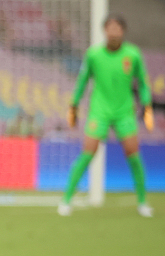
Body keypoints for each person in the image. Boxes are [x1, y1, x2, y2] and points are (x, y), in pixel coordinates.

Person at [60, 15, 154, 217]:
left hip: (124, 112)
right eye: (109, 28)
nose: (113, 32)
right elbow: (82, 81)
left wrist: (146, 105)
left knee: (134, 156)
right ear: (104, 31)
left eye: (117, 28)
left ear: (123, 31)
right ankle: (66, 200)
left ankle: (142, 203)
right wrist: (73, 105)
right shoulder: (94, 55)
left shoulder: (133, 54)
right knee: (87, 154)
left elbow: (143, 83)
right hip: (99, 111)